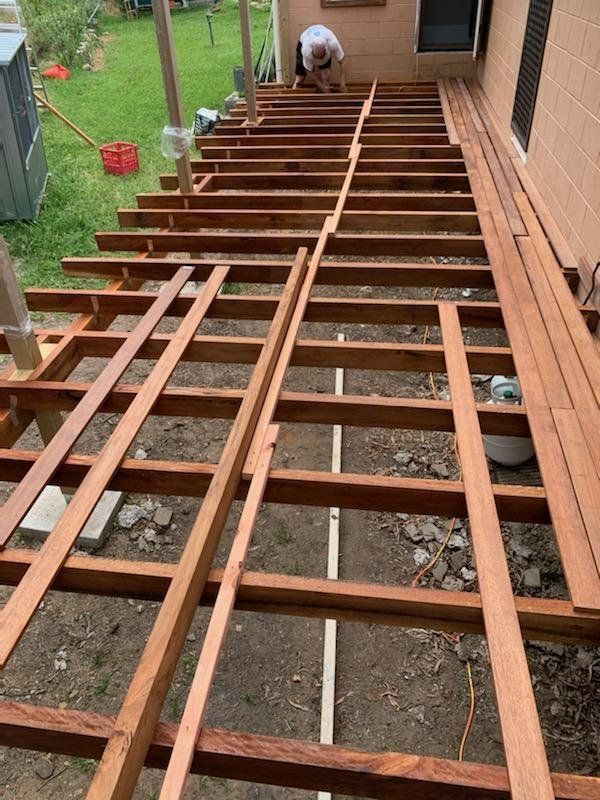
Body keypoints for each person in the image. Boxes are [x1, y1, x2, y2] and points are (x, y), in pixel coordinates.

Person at [293, 24, 347, 93]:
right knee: (299, 80)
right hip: (304, 39)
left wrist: (343, 83)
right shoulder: (306, 50)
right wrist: (321, 86)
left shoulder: (332, 44)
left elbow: (343, 61)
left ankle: (326, 101)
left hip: (324, 38)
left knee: (326, 77)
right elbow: (308, 70)